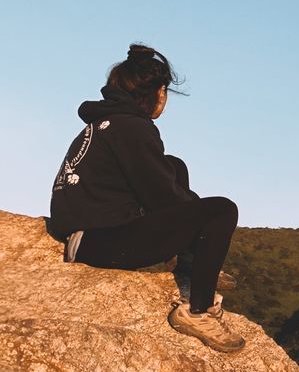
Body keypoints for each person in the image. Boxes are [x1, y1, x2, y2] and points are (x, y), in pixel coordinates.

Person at [48, 44, 244, 352]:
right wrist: (202, 233)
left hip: (89, 232)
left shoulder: (103, 123)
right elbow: (164, 199)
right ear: (159, 92)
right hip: (100, 242)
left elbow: (160, 183)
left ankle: (191, 262)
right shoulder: (134, 129)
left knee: (173, 165)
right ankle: (197, 310)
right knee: (221, 211)